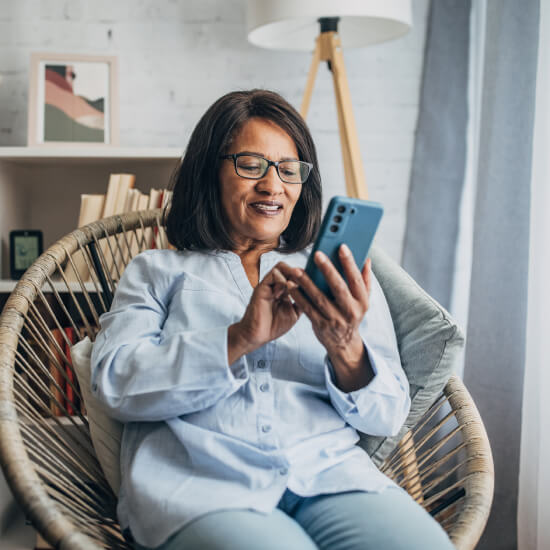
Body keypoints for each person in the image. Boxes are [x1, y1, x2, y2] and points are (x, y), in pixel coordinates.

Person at [90, 89, 454, 550]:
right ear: (209, 171)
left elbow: (387, 415)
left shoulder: (334, 274)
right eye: (251, 164)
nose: (272, 185)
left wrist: (345, 347)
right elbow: (117, 384)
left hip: (328, 476)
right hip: (202, 487)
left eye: (288, 169)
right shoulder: (156, 272)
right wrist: (240, 338)